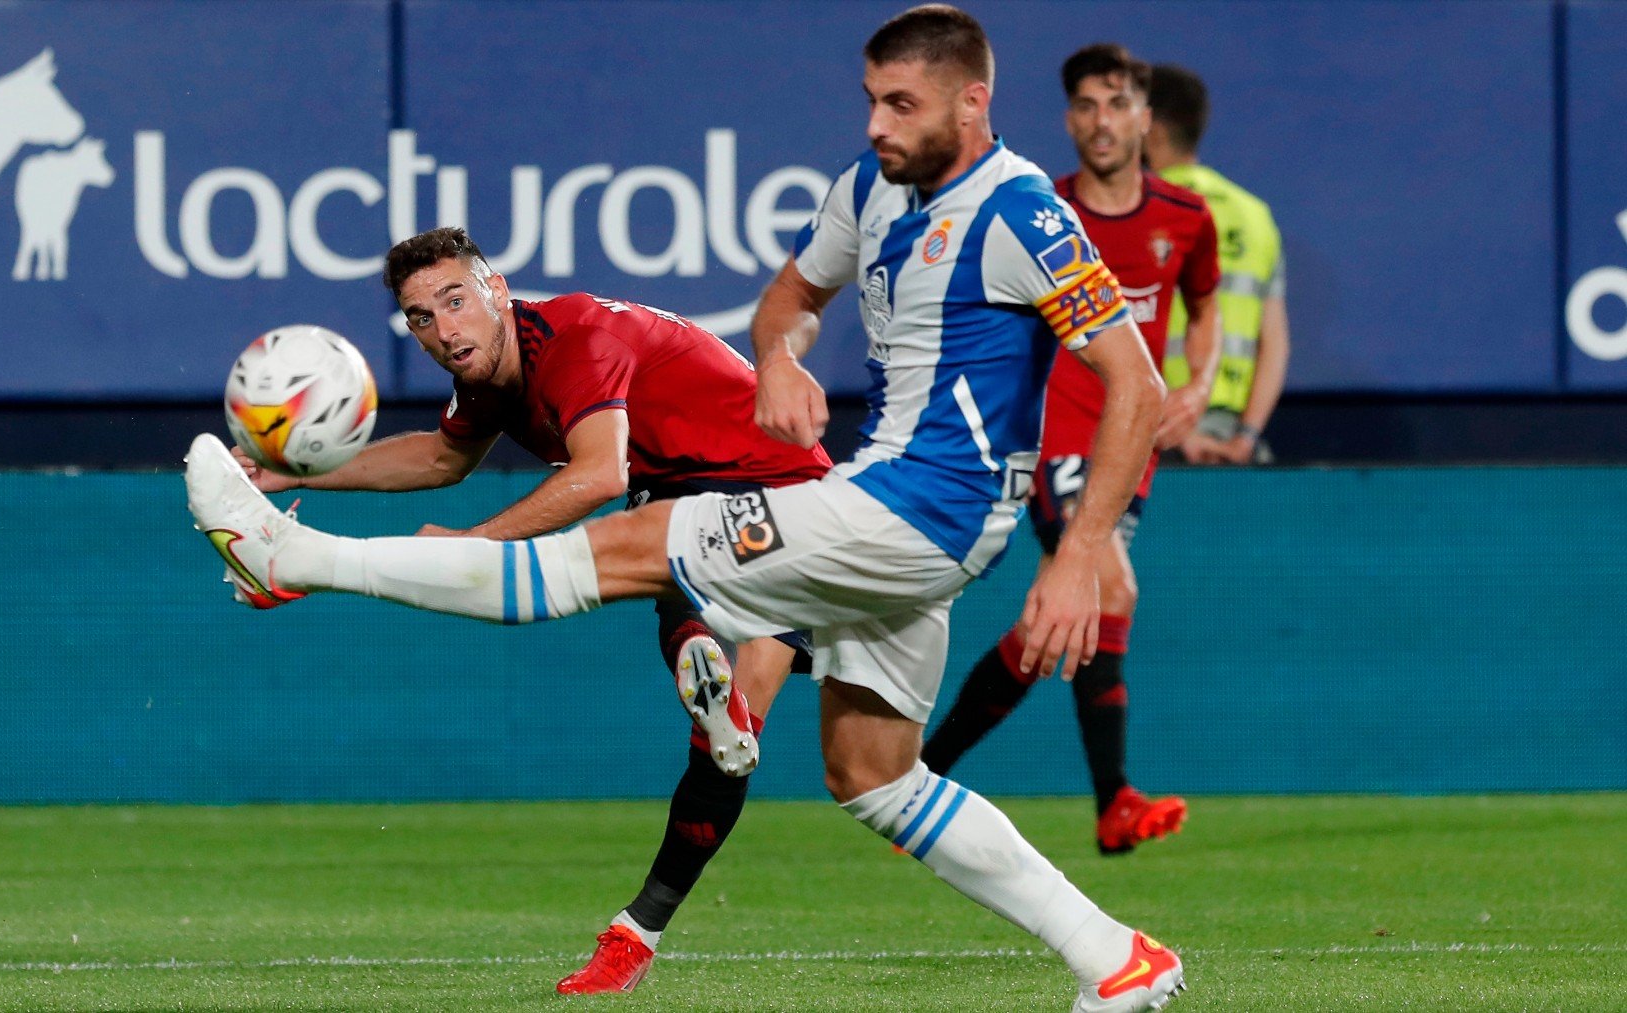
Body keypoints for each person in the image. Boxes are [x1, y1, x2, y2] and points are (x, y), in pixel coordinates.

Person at [184, 6, 1184, 1009]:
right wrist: (783, 356)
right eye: (871, 98)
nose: (877, 123)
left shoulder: (1017, 209)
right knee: (872, 772)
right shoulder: (868, 190)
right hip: (881, 503)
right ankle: (1116, 956)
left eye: (901, 103)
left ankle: (295, 559)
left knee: (614, 550)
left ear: (974, 102)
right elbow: (787, 297)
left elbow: (1134, 386)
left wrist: (1078, 554)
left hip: (913, 508)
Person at [229, 226, 832, 994]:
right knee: (732, 736)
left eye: (456, 299)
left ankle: (698, 673)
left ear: (498, 290)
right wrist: (290, 471)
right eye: (421, 317)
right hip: (715, 504)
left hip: (788, 496)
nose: (444, 329)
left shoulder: (580, 337)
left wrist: (474, 549)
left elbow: (599, 474)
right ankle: (644, 907)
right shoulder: (491, 372)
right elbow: (443, 458)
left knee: (654, 552)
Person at [921, 44, 1219, 857]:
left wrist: (1201, 386)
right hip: (1055, 432)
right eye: (1085, 106)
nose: (1100, 121)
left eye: (1116, 104)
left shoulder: (1187, 220)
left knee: (1064, 617)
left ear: (1144, 119)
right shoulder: (1041, 210)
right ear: (1068, 119)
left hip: (1133, 440)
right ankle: (1114, 798)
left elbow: (1205, 309)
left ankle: (923, 772)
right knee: (1111, 582)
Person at [1146, 63, 1289, 466]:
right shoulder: (1256, 216)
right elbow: (1274, 344)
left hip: (1157, 436)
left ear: (1150, 128)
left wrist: (1182, 432)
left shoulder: (1139, 213)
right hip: (1237, 445)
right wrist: (1245, 437)